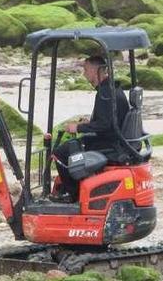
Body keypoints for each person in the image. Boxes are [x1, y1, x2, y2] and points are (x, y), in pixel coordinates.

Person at [51, 55, 130, 203]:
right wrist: (89, 122)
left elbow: (105, 125)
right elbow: (107, 120)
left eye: (86, 69)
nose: (84, 74)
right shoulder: (112, 89)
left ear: (95, 70)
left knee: (60, 154)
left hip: (107, 144)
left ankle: (72, 195)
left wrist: (78, 127)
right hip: (112, 140)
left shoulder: (105, 94)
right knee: (72, 147)